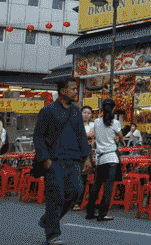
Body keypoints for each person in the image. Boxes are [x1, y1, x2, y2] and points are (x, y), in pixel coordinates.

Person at [34, 78, 93, 245]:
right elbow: (38, 137)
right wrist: (45, 158)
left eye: (76, 89)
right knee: (56, 196)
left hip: (74, 160)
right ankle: (52, 234)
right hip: (54, 160)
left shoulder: (76, 112)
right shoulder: (48, 111)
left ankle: (47, 220)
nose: (76, 91)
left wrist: (87, 157)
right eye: (73, 89)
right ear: (63, 91)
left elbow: (82, 136)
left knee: (76, 191)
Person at [86, 98, 123, 222]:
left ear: (101, 109)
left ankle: (90, 212)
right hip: (111, 157)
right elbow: (121, 138)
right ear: (113, 109)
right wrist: (115, 138)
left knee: (96, 186)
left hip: (100, 158)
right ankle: (102, 214)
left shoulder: (96, 122)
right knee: (108, 187)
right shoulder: (115, 122)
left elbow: (91, 135)